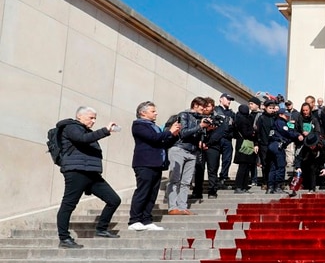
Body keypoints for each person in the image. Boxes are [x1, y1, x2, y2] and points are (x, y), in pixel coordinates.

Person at [55, 107, 122, 248]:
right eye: (91, 117)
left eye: (95, 118)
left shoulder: (86, 131)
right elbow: (82, 139)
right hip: (76, 172)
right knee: (68, 204)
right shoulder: (70, 127)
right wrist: (105, 130)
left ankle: (102, 229)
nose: (94, 121)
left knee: (114, 200)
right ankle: (64, 239)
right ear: (80, 116)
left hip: (91, 173)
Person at [129, 101, 181, 231]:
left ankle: (146, 220)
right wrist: (169, 132)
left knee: (152, 193)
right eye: (153, 111)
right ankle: (134, 220)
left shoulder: (154, 126)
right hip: (144, 163)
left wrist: (173, 135)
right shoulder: (139, 125)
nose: (156, 113)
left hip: (156, 164)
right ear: (143, 113)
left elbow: (163, 142)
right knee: (143, 191)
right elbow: (153, 138)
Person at [166, 97, 215, 215]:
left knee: (186, 181)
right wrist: (200, 126)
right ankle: (172, 207)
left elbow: (197, 136)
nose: (204, 110)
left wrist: (207, 129)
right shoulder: (184, 115)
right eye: (202, 107)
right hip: (179, 149)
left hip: (192, 152)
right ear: (195, 105)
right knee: (175, 179)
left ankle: (182, 207)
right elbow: (183, 133)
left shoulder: (201, 119)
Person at [232, 97, 262, 194]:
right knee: (243, 167)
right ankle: (240, 186)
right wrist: (253, 132)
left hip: (243, 144)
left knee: (245, 167)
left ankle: (243, 186)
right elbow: (247, 132)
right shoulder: (243, 119)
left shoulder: (239, 117)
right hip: (245, 144)